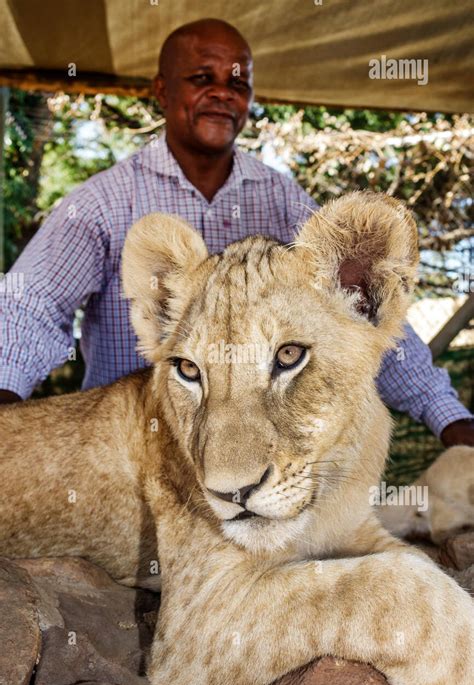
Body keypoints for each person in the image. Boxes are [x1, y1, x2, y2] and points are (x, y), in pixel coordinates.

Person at [0, 18, 472, 447]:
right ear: (162, 91)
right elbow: (31, 304)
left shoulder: (282, 199)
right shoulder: (102, 202)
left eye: (238, 80)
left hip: (260, 449)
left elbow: (356, 320)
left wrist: (450, 419)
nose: (223, 92)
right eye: (202, 78)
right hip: (138, 445)